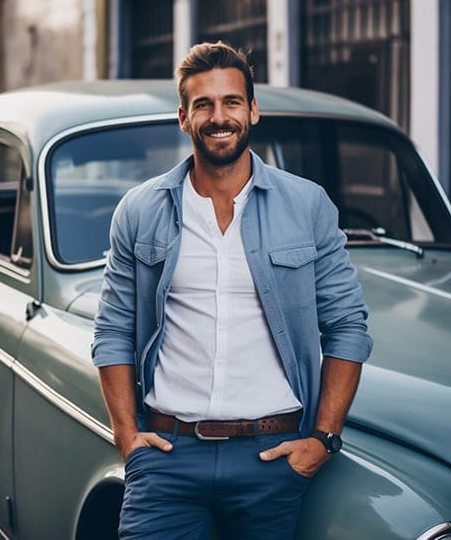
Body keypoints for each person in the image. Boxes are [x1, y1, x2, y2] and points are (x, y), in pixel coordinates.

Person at [92, 41, 373, 539]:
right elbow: (112, 328)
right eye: (203, 104)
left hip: (271, 457)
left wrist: (323, 440)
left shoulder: (307, 206)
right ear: (183, 117)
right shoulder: (139, 211)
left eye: (231, 102)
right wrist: (127, 437)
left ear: (253, 111)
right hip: (168, 457)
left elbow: (348, 325)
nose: (218, 116)